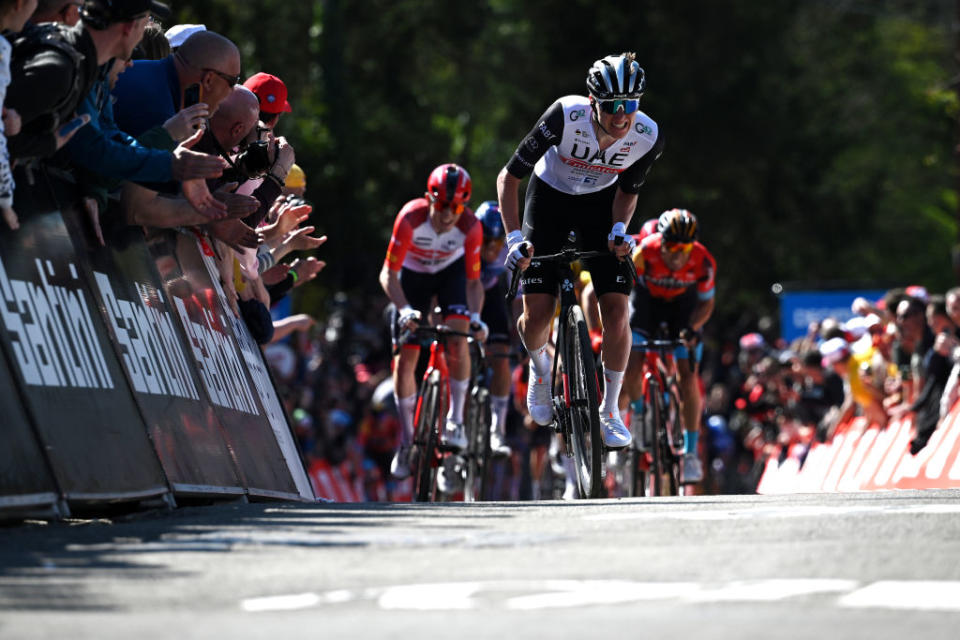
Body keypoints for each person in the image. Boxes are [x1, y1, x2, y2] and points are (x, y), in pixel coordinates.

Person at [497, 51, 664, 450]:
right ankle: (540, 372)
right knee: (536, 314)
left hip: (599, 208)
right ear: (594, 103)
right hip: (549, 201)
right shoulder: (564, 116)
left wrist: (621, 229)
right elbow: (509, 178)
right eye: (612, 107)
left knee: (617, 309)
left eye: (630, 106)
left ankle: (609, 410)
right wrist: (513, 238)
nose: (622, 116)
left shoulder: (647, 135)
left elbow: (628, 192)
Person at [380, 163, 485, 479]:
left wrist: (477, 317)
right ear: (429, 199)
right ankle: (406, 439)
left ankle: (456, 420)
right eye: (442, 206)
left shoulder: (471, 227)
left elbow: (473, 282)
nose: (448, 214)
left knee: (458, 336)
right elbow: (389, 274)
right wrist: (404, 310)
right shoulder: (411, 218)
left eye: (456, 207)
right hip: (412, 278)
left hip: (448, 277)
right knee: (408, 353)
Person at [620, 208, 716, 483]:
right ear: (660, 241)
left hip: (682, 309)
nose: (677, 254)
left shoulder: (703, 260)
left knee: (688, 375)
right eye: (671, 246)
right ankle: (638, 416)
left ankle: (689, 453)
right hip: (646, 304)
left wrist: (692, 329)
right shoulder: (643, 252)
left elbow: (707, 303)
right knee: (633, 358)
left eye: (684, 247)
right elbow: (625, 292)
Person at [475, 200, 513, 457]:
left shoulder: (509, 249)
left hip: (490, 296)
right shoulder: (466, 241)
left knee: (501, 358)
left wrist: (523, 338)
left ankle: (497, 429)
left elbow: (521, 298)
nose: (491, 249)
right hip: (463, 291)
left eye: (497, 244)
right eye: (486, 240)